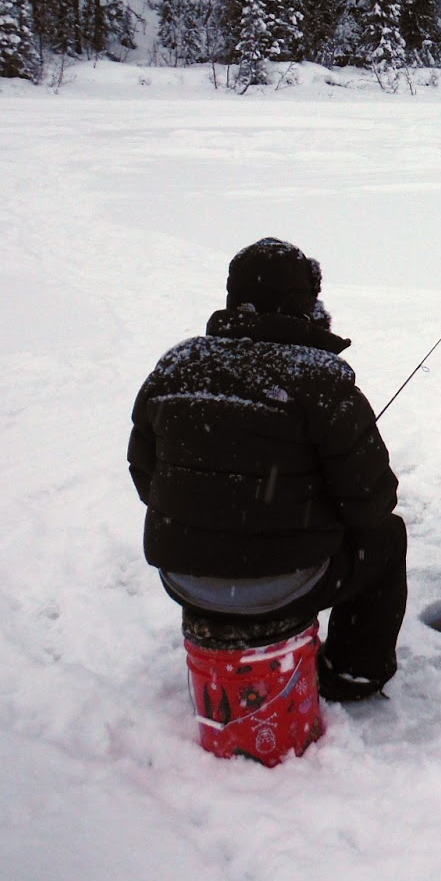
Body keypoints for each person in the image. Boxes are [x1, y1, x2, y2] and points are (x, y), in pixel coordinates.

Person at [128, 237, 407, 702]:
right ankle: (354, 672)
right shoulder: (320, 378)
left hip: (184, 580)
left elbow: (146, 477)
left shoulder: (176, 367)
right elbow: (371, 504)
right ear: (307, 304)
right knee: (387, 537)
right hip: (288, 584)